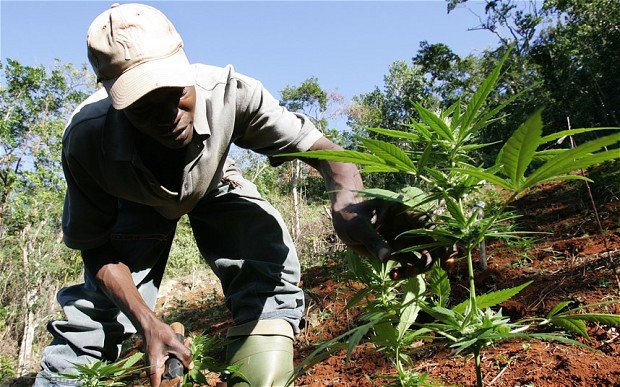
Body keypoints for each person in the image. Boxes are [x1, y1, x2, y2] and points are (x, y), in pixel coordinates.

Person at [34, 3, 394, 386]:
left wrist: (347, 201)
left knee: (264, 259)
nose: (169, 113)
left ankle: (257, 374)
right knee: (96, 316)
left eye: (175, 92)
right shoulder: (87, 139)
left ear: (185, 67)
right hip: (134, 204)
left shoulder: (230, 93)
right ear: (112, 96)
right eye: (143, 106)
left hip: (216, 181)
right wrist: (147, 321)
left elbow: (327, 153)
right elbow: (97, 249)